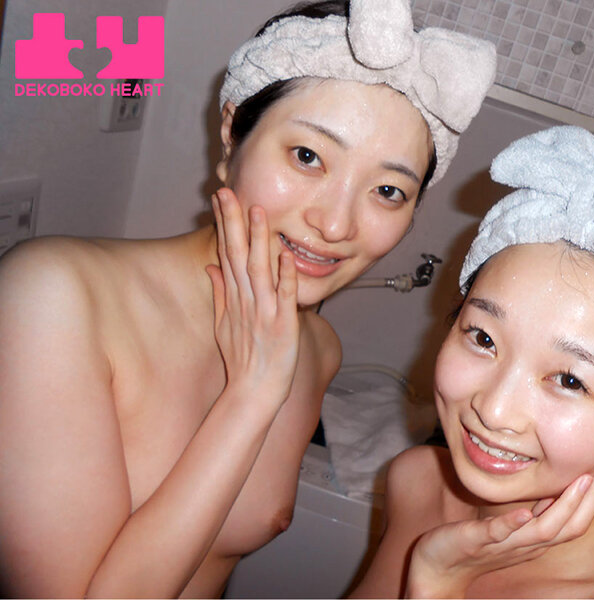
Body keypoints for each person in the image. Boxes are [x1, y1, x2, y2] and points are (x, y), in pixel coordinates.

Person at [0, 1, 496, 597]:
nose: (335, 224)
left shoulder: (318, 351)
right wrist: (253, 394)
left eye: (388, 190)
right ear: (232, 133)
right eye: (308, 156)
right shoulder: (55, 301)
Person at [350, 126, 594, 598]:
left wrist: (438, 582)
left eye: (570, 380)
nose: (494, 410)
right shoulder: (416, 479)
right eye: (483, 338)